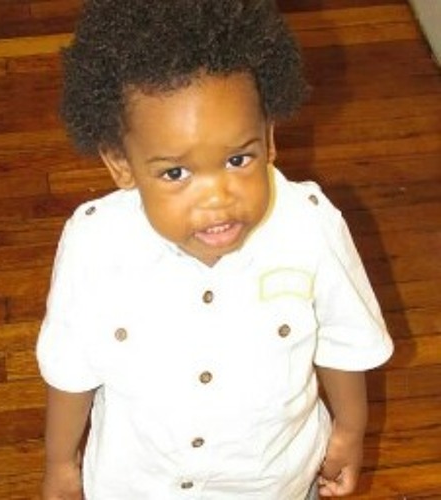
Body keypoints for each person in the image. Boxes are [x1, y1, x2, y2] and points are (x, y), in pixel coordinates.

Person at [36, 1, 394, 499]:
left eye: (238, 159)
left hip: (273, 483)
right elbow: (71, 367)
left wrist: (350, 430)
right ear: (121, 165)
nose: (217, 198)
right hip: (139, 486)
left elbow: (343, 342)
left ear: (268, 138)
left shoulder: (311, 228)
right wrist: (60, 462)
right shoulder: (94, 245)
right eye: (175, 172)